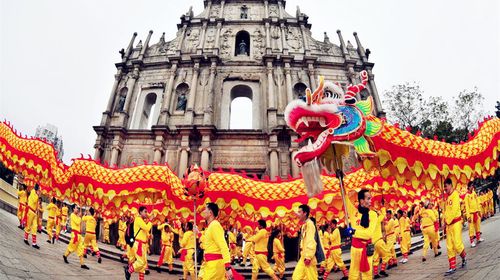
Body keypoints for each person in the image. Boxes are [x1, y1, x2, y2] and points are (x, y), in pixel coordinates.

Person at [197, 202, 242, 280]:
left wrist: (227, 267)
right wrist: (198, 233)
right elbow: (206, 244)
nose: (203, 211)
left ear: (210, 212)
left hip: (215, 265)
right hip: (209, 264)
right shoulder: (210, 226)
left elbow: (223, 246)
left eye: (205, 209)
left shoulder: (215, 225)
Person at [347, 189, 377, 280]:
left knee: (366, 276)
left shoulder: (373, 214)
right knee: (353, 275)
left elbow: (368, 234)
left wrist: (353, 232)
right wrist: (341, 179)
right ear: (361, 201)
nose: (370, 201)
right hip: (355, 249)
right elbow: (344, 199)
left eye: (370, 198)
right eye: (368, 199)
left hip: (366, 249)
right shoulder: (353, 212)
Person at [443, 178, 467, 276]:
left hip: (456, 223)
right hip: (449, 225)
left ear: (450, 185)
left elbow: (454, 210)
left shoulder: (455, 195)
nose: (445, 189)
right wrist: (445, 221)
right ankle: (452, 267)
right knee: (449, 246)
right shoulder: (447, 198)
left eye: (446, 186)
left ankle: (464, 257)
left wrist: (448, 220)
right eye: (444, 187)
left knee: (457, 244)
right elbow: (447, 212)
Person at [292, 204, 321, 280]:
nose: (297, 214)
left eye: (299, 212)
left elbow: (311, 241)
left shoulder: (310, 224)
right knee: (296, 277)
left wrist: (308, 257)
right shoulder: (304, 225)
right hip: (303, 257)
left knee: (312, 278)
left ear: (305, 213)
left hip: (308, 258)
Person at [124, 206, 153, 280]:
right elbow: (146, 228)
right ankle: (129, 270)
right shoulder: (138, 219)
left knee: (143, 265)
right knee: (140, 262)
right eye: (145, 212)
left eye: (147, 212)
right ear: (140, 212)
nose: (146, 213)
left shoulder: (142, 221)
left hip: (143, 245)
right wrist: (150, 221)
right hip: (138, 244)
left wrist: (149, 236)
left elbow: (145, 231)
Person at [63, 204, 89, 269]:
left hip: (79, 235)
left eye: (77, 208)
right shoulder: (72, 215)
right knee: (72, 247)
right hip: (75, 235)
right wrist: (80, 217)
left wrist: (83, 215)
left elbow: (80, 221)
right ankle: (65, 255)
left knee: (81, 249)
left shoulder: (77, 216)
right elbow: (77, 222)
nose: (77, 209)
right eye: (76, 208)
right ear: (73, 209)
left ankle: (82, 264)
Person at [372, 202, 390, 279]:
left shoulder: (370, 223)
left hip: (373, 242)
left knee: (376, 258)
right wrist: (382, 207)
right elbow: (383, 214)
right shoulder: (376, 220)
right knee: (387, 255)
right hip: (379, 241)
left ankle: (375, 274)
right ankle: (382, 270)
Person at [464, 182, 483, 247]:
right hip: (471, 214)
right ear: (469, 187)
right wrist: (468, 216)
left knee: (477, 226)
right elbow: (467, 206)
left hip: (476, 212)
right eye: (471, 186)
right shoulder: (466, 196)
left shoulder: (474, 193)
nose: (473, 187)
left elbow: (477, 201)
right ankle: (472, 242)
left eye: (473, 185)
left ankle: (478, 238)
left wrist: (479, 211)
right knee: (471, 228)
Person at [23, 184, 41, 249]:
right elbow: (34, 200)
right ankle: (25, 238)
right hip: (30, 211)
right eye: (39, 188)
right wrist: (38, 195)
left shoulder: (36, 194)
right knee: (28, 226)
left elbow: (36, 204)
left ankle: (34, 243)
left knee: (35, 227)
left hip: (34, 212)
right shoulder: (33, 192)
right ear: (37, 188)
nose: (40, 190)